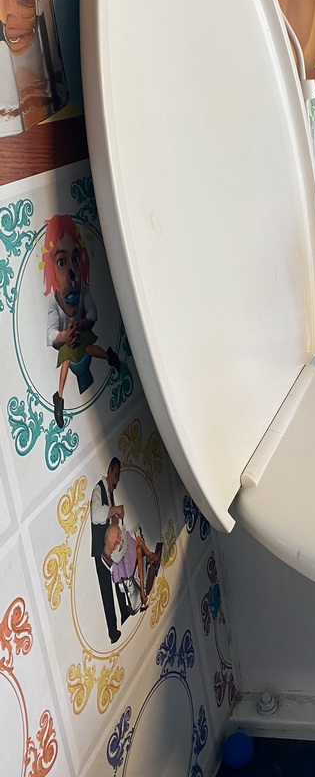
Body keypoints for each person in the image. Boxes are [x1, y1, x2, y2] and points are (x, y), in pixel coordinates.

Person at [42, 214, 121, 428]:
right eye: (61, 262)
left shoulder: (83, 290)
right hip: (70, 342)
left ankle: (109, 356)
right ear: (50, 269)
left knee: (88, 348)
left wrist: (82, 324)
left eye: (75, 260)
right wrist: (64, 336)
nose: (71, 272)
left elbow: (93, 313)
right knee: (67, 356)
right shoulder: (53, 301)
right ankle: (59, 397)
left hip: (82, 336)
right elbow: (50, 333)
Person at [90, 458, 130, 643]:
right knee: (107, 590)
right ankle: (112, 631)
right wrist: (114, 510)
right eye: (115, 477)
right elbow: (97, 515)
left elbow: (109, 519)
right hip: (101, 551)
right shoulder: (98, 489)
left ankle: (125, 610)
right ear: (109, 472)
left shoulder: (110, 493)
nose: (116, 482)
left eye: (117, 478)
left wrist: (115, 520)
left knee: (119, 579)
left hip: (110, 549)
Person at [102, 523, 163, 612]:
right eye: (116, 543)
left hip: (138, 566)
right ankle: (143, 592)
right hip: (137, 580)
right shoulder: (117, 562)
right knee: (138, 549)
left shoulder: (125, 542)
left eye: (119, 535)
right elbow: (121, 576)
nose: (119, 540)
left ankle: (151, 557)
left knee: (138, 541)